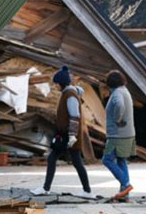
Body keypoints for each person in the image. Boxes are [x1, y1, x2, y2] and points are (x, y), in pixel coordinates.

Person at [30, 66, 95, 199]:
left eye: (56, 83)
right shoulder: (67, 93)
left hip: (69, 135)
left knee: (74, 161)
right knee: (55, 158)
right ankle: (47, 188)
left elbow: (74, 116)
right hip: (65, 134)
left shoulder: (70, 95)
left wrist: (72, 135)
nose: (55, 86)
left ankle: (86, 191)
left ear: (61, 83)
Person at [102, 70, 136, 200]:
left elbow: (119, 105)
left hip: (117, 135)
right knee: (122, 160)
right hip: (128, 133)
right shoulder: (124, 90)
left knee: (107, 159)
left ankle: (126, 184)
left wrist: (117, 119)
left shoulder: (117, 93)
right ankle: (124, 194)